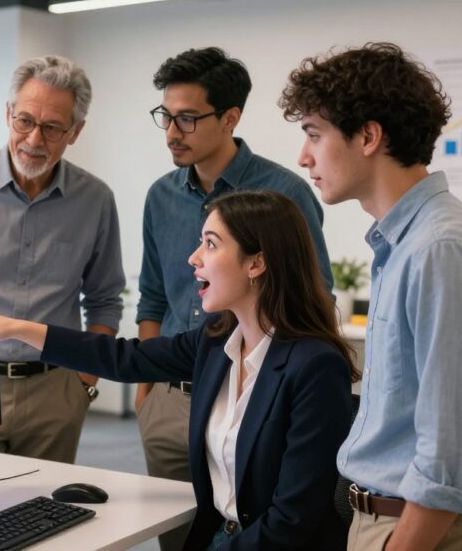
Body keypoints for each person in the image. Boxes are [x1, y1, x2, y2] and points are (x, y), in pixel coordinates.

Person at [0, 190, 357, 551]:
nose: (194, 258)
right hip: (222, 536)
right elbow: (125, 358)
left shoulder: (315, 366)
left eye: (211, 244)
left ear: (256, 263)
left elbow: (293, 519)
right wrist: (13, 328)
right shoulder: (216, 341)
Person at [279, 42, 462, 551]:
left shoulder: (440, 249)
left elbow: (456, 448)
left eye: (314, 134)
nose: (304, 157)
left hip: (428, 532)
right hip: (394, 521)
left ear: (368, 136)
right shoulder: (405, 242)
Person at [136, 47, 334, 551]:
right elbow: (152, 297)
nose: (172, 132)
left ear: (230, 118)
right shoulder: (160, 195)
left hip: (253, 397)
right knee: (182, 540)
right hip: (172, 397)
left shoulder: (283, 193)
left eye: (187, 118)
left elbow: (314, 293)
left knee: (254, 530)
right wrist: (147, 391)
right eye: (165, 116)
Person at [0, 55, 124, 463]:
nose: (34, 139)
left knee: (44, 503)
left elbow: (104, 298)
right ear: (8, 114)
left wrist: (84, 381)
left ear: (76, 131)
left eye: (52, 128)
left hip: (55, 391)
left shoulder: (95, 199)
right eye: (25, 121)